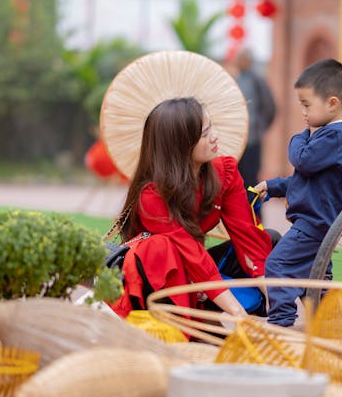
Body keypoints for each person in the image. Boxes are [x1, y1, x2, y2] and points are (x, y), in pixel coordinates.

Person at [109, 97, 275, 319]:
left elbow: (246, 235)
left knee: (271, 241)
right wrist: (237, 313)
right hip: (162, 279)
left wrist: (274, 298)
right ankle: (193, 319)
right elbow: (190, 253)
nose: (215, 136)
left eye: (211, 127)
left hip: (195, 270)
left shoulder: (223, 172)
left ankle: (243, 305)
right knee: (161, 247)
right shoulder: (151, 195)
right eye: (204, 134)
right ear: (180, 145)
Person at [254, 59, 342, 327]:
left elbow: (303, 161)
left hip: (316, 222)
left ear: (332, 103)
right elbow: (304, 179)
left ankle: (281, 322)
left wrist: (300, 136)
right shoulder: (324, 136)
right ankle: (330, 322)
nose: (303, 112)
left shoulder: (333, 136)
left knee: (278, 265)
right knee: (316, 276)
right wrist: (273, 186)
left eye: (307, 105)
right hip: (319, 221)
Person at [234, 48, 276, 191]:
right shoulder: (237, 80)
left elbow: (270, 107)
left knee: (252, 180)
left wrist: (261, 127)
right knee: (239, 178)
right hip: (239, 139)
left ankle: (255, 212)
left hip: (253, 139)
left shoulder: (257, 80)